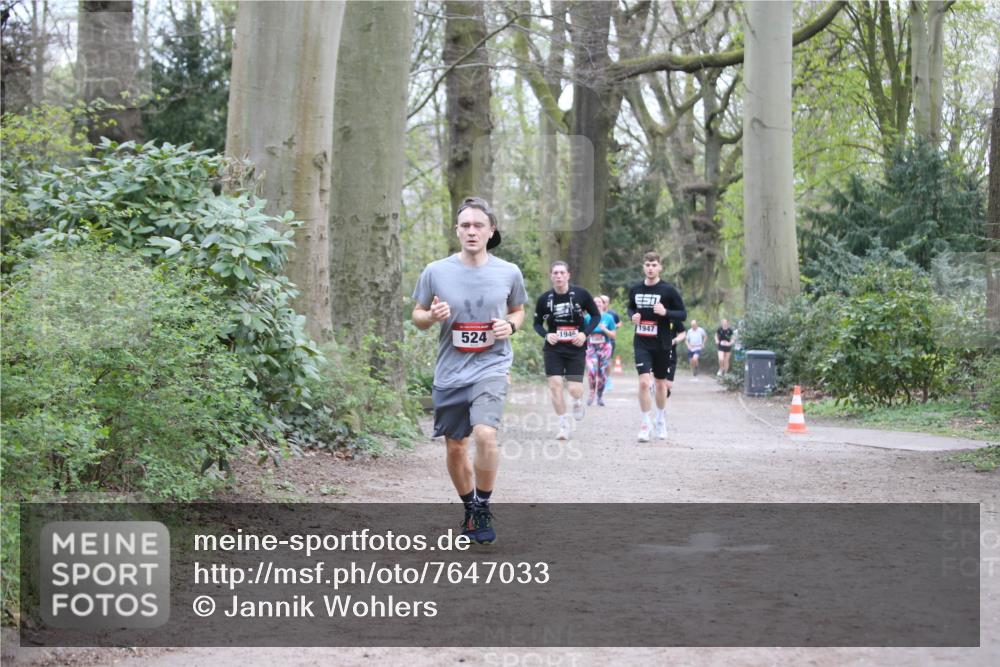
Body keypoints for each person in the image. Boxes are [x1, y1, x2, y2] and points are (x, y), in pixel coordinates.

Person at [412, 196, 527, 545]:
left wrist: (511, 325)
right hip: (450, 371)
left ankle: (483, 506)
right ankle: (469, 508)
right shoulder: (436, 271)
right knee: (455, 447)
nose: (472, 231)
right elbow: (417, 316)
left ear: (491, 231)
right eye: (465, 225)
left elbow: (519, 310)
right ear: (457, 231)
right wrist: (431, 317)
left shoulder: (508, 272)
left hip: (491, 366)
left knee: (485, 435)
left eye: (479, 225)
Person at [533, 261, 601, 440]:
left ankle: (578, 401)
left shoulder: (582, 294)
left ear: (568, 275)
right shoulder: (544, 299)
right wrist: (546, 335)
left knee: (573, 389)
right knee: (555, 386)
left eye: (562, 273)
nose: (559, 276)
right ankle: (563, 424)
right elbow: (537, 324)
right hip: (554, 348)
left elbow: (596, 316)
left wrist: (584, 334)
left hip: (576, 347)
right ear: (551, 276)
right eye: (555, 273)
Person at [628, 251, 687, 442]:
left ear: (660, 267)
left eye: (654, 265)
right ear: (643, 267)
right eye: (647, 264)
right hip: (642, 342)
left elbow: (682, 314)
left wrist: (666, 312)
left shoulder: (668, 290)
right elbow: (631, 307)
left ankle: (660, 419)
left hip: (662, 343)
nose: (650, 268)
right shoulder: (635, 289)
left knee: (661, 384)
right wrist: (633, 316)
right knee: (645, 382)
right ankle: (645, 424)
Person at [585, 295, 617, 406]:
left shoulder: (609, 318)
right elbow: (583, 333)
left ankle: (600, 396)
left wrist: (605, 330)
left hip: (605, 347)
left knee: (602, 372)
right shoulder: (587, 318)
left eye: (600, 302)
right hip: (591, 347)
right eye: (595, 302)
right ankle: (591, 393)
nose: (597, 303)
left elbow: (613, 336)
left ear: (603, 304)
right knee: (591, 370)